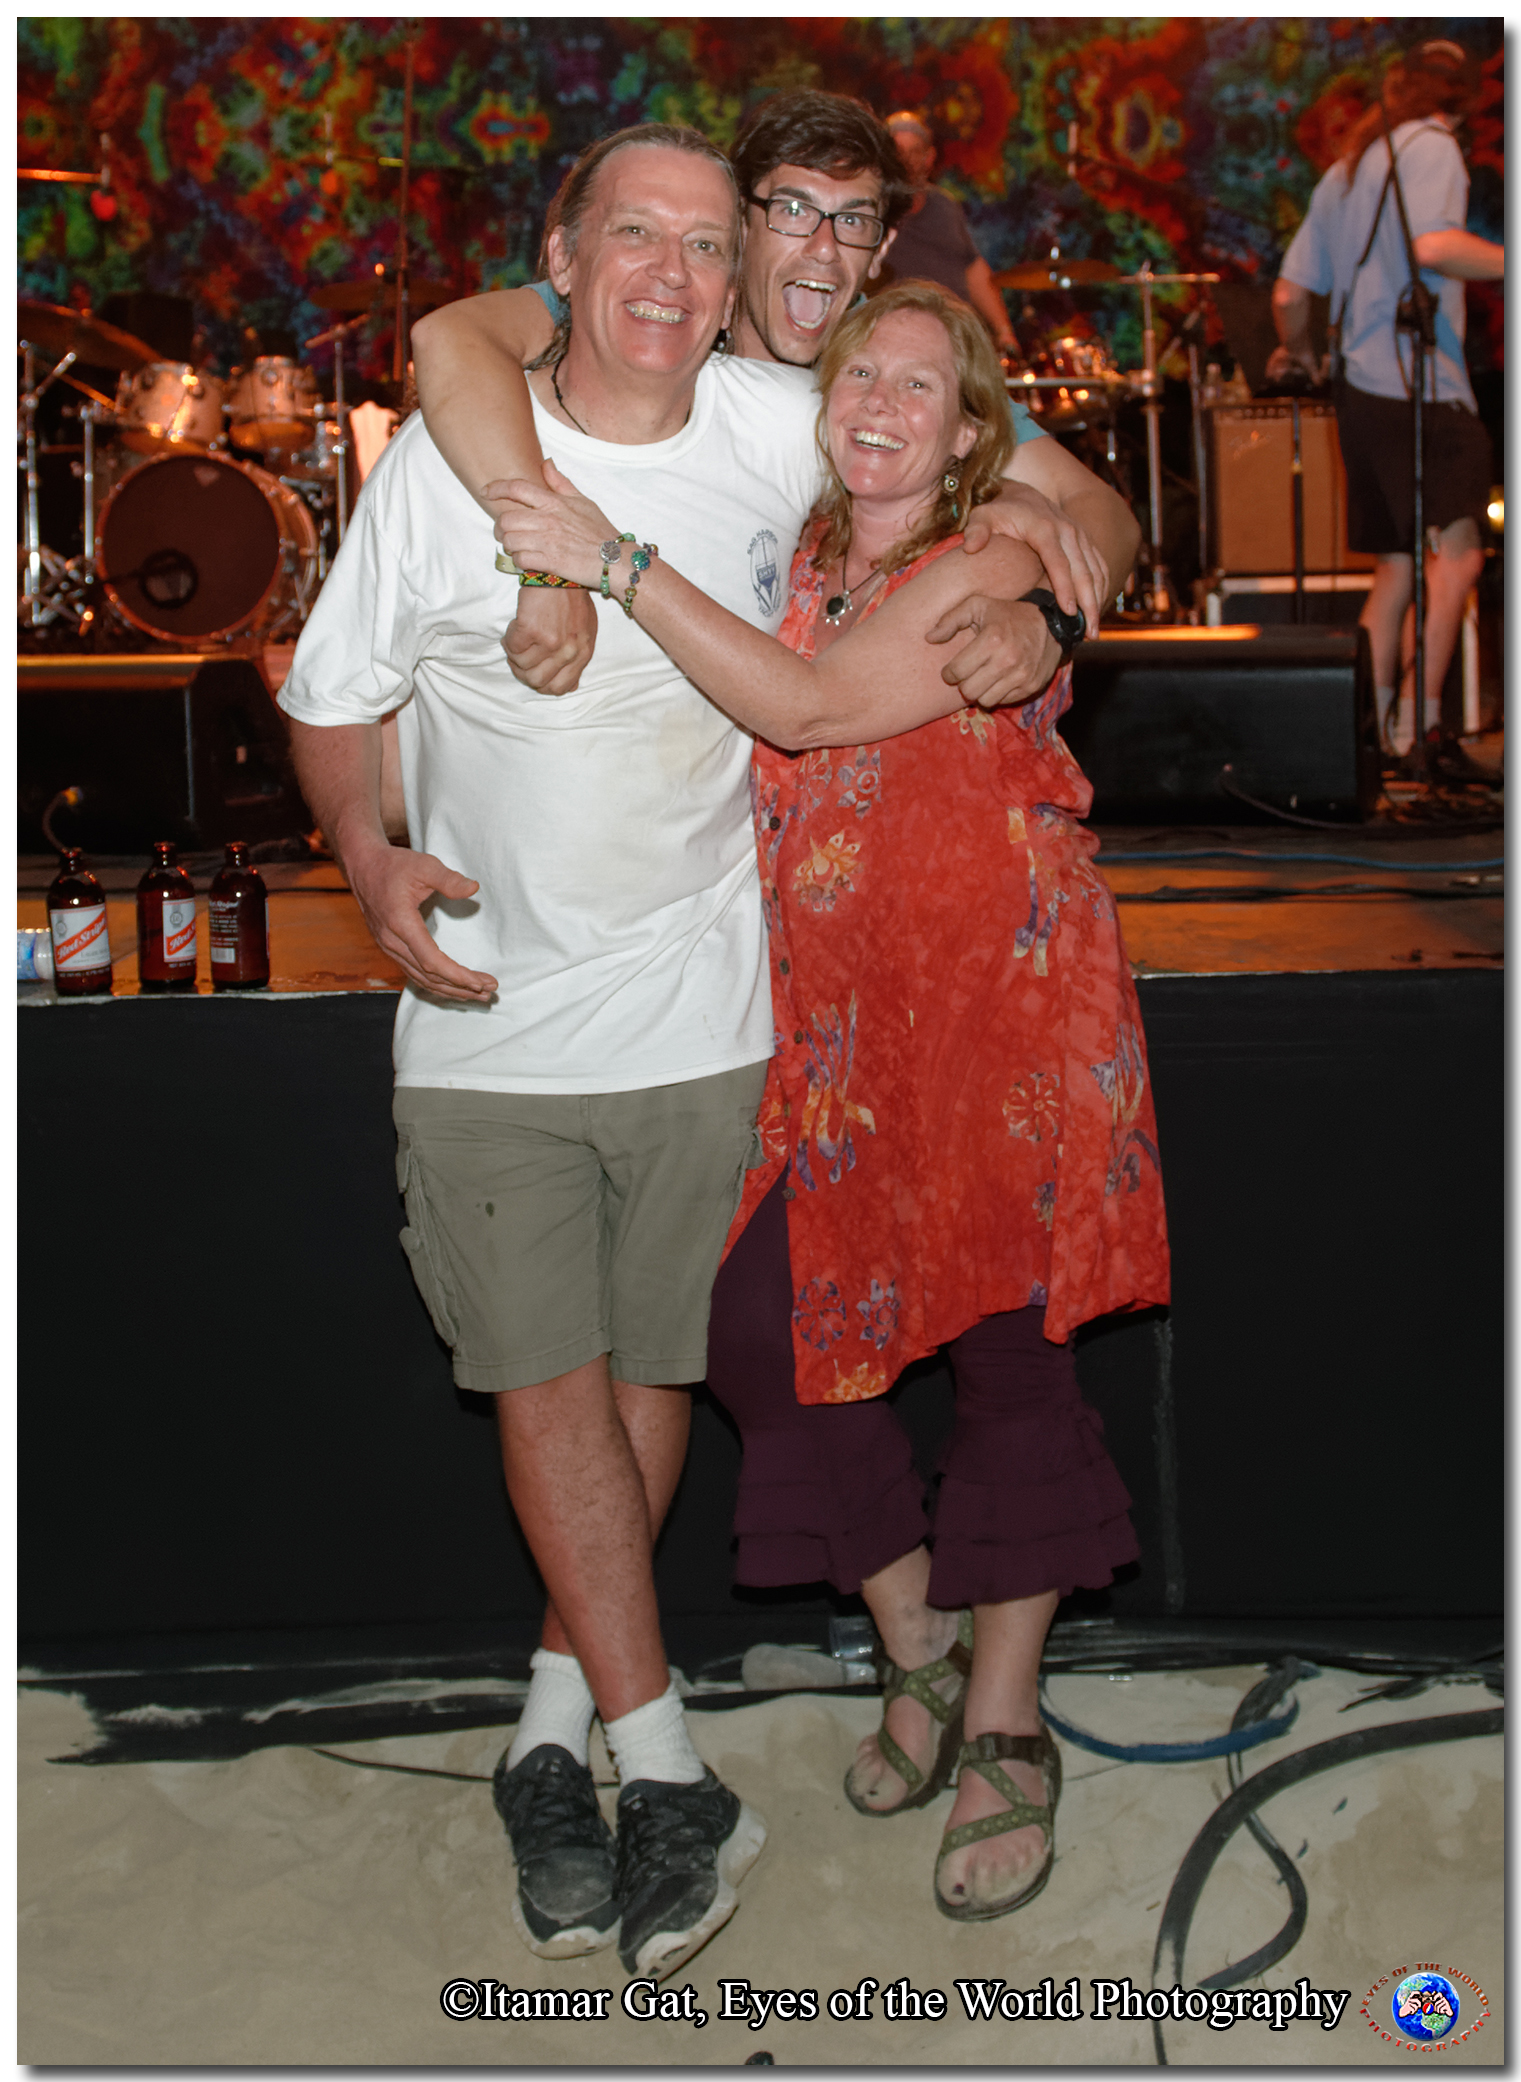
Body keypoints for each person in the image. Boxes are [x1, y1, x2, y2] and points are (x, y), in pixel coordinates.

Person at [280, 124, 1124, 1983]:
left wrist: (1051, 589)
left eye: (715, 239)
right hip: (605, 1016)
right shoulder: (502, 439)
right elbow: (355, 630)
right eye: (645, 237)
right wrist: (365, 841)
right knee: (636, 1360)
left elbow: (1032, 494)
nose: (679, 272)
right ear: (573, 255)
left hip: (836, 1005)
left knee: (846, 1346)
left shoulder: (807, 425)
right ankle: (696, 1731)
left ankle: (894, 1719)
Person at [493, 278, 1169, 1925]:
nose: (877, 403)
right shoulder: (790, 555)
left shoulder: (991, 557)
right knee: (750, 1322)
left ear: (968, 429)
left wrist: (613, 564)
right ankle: (915, 1631)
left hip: (995, 1015)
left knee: (1009, 1358)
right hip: (825, 1035)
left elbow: (804, 709)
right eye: (859, 374)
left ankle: (1003, 1721)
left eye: (919, 386)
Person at [410, 89, 1132, 708]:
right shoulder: (657, 313)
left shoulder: (889, 368)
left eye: (853, 221)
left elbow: (1103, 514)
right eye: (792, 209)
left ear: (879, 251)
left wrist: (1048, 619)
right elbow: (451, 338)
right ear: (740, 225)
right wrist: (544, 562)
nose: (823, 248)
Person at [1268, 39, 1501, 756]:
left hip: (1359, 389)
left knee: (1399, 564)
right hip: (1419, 384)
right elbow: (1434, 247)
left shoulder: (1347, 169)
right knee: (1458, 555)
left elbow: (1289, 294)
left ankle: (1362, 743)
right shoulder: (1432, 145)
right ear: (1464, 99)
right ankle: (1417, 727)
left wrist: (1301, 353)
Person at [881, 111, 1019, 357]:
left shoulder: (944, 206)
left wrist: (1003, 331)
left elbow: (972, 267)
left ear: (929, 157)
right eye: (898, 152)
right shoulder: (873, 211)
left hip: (955, 342)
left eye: (915, 152)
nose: (906, 161)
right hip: (896, 344)